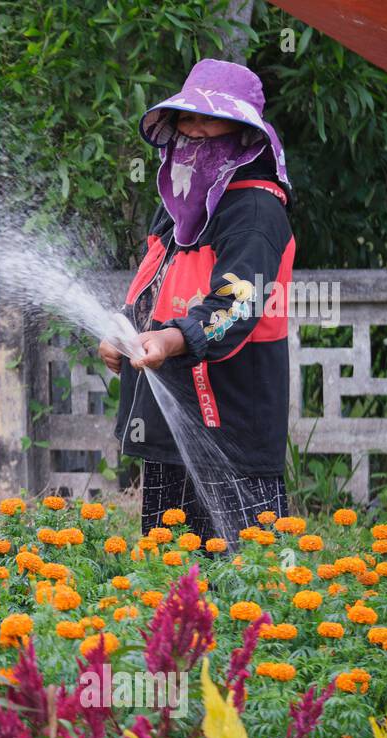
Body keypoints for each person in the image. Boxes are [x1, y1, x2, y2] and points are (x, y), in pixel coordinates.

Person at [98, 58, 295, 544]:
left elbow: (237, 303)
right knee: (171, 580)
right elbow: (151, 287)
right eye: (187, 119)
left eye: (210, 120)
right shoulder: (176, 213)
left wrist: (169, 339)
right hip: (170, 431)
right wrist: (124, 330)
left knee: (249, 579)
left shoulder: (255, 211)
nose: (194, 131)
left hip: (231, 431)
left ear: (244, 136)